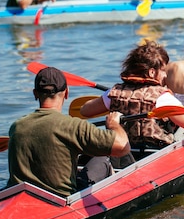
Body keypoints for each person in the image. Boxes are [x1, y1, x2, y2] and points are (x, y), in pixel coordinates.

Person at [80, 41, 184, 165]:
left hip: (126, 151)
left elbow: (84, 111)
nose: (165, 75)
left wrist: (117, 108)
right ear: (151, 73)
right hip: (154, 155)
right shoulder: (162, 98)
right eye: (163, 70)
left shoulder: (114, 92)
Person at [7, 66, 130, 197]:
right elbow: (123, 147)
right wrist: (113, 124)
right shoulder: (73, 126)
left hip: (19, 198)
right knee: (102, 159)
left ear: (35, 93)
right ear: (66, 93)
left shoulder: (17, 127)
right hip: (60, 199)